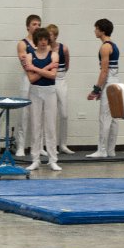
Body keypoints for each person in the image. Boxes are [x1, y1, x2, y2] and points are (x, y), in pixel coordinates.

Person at [24, 27, 60, 172]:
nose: (43, 42)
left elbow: (53, 76)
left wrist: (36, 68)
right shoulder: (29, 56)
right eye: (40, 40)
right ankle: (35, 159)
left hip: (50, 91)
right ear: (36, 41)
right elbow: (32, 79)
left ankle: (53, 160)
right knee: (35, 126)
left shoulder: (54, 55)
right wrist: (47, 68)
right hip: (35, 91)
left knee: (50, 126)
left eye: (46, 39)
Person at [86, 18, 119, 158]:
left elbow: (104, 71)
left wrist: (96, 89)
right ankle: (111, 150)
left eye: (96, 28)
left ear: (102, 30)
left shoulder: (105, 46)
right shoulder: (114, 45)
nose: (94, 31)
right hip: (115, 82)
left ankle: (102, 150)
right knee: (113, 118)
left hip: (109, 82)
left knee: (104, 117)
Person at [15, 14, 40, 157]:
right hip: (27, 78)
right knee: (24, 113)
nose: (37, 26)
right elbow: (25, 64)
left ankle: (37, 145)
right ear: (28, 26)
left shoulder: (43, 42)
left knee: (38, 113)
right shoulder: (23, 44)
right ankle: (21, 146)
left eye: (39, 24)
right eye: (34, 24)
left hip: (40, 80)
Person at [47, 24, 73, 154]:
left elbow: (67, 65)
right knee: (51, 115)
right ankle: (50, 145)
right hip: (49, 82)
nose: (47, 37)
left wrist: (60, 75)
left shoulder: (64, 49)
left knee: (64, 114)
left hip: (61, 80)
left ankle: (63, 144)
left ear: (55, 35)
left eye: (50, 34)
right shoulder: (44, 50)